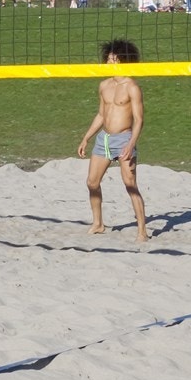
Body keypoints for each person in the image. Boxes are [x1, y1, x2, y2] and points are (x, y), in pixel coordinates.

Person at [76, 38, 148, 242]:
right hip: (104, 140)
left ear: (123, 60)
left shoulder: (132, 87)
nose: (108, 63)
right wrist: (86, 138)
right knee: (92, 182)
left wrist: (131, 143)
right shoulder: (104, 85)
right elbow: (101, 114)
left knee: (130, 184)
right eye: (108, 59)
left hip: (124, 139)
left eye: (113, 59)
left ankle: (142, 230)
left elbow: (139, 119)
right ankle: (98, 223)